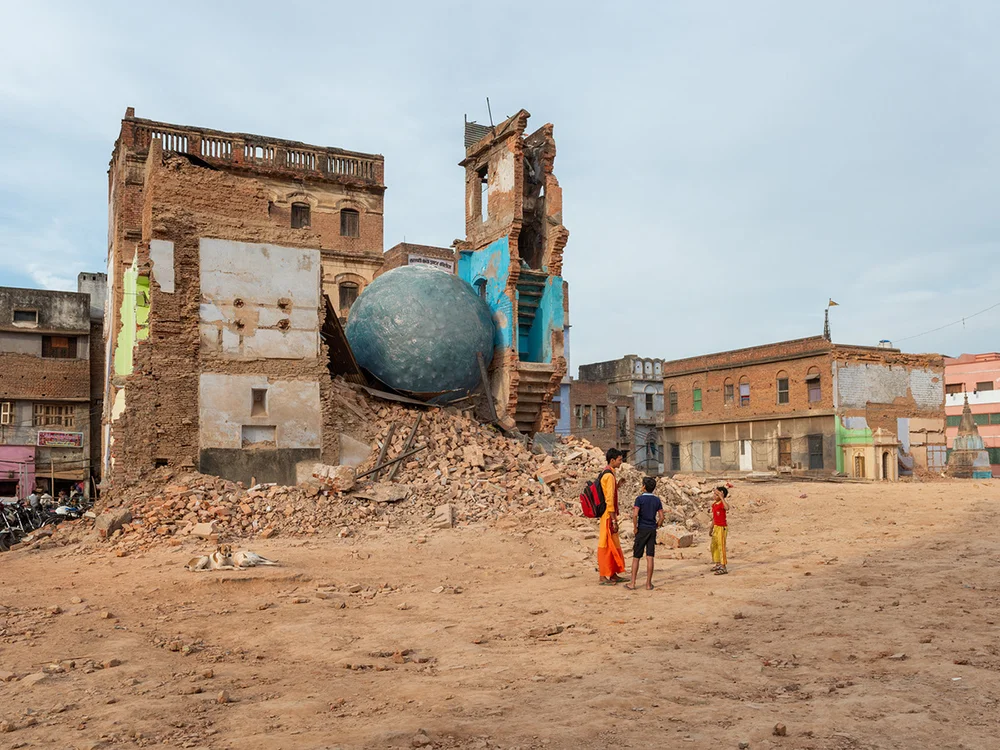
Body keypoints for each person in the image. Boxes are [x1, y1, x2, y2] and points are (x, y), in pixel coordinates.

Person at [625, 477, 664, 591]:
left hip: (642, 529)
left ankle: (632, 583)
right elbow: (661, 517)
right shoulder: (657, 500)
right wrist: (657, 525)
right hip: (652, 530)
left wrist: (635, 527)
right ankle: (648, 584)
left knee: (636, 557)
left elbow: (635, 515)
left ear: (644, 487)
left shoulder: (639, 499)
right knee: (650, 557)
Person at [597, 448, 626, 585]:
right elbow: (609, 500)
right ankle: (603, 576)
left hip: (608, 515)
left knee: (613, 544)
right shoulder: (609, 476)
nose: (621, 462)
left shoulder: (609, 474)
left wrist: (618, 485)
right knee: (605, 544)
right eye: (620, 460)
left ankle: (613, 573)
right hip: (608, 515)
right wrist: (614, 519)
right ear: (612, 460)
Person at [710, 486, 730, 575]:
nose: (714, 495)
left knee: (721, 546)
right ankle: (718, 563)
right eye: (714, 493)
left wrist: (722, 497)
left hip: (722, 528)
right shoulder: (714, 505)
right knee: (714, 546)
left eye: (716, 494)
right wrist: (711, 528)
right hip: (716, 527)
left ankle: (723, 566)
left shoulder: (722, 503)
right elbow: (714, 518)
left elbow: (727, 508)